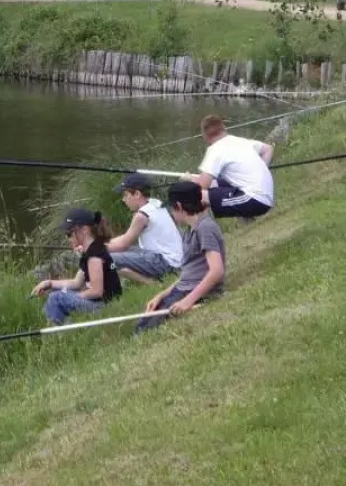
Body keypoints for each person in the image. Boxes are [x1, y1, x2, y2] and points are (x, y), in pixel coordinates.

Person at [138, 181, 225, 333]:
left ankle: (200, 304)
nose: (171, 213)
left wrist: (187, 302)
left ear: (179, 206)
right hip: (183, 289)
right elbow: (190, 273)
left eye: (172, 208)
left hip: (193, 293)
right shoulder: (190, 229)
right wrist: (162, 294)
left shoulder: (205, 228)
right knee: (144, 322)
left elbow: (216, 271)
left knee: (145, 330)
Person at [33, 208, 123, 325]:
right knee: (55, 291)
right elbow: (76, 283)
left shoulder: (94, 256)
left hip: (105, 305)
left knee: (56, 298)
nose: (67, 238)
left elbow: (97, 291)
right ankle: (64, 328)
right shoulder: (91, 250)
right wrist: (49, 283)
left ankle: (57, 334)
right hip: (101, 302)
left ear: (84, 230)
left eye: (69, 234)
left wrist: (73, 296)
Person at [182, 115, 273, 219]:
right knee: (216, 183)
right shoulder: (240, 141)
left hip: (255, 200)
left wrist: (189, 179)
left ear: (204, 135)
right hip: (265, 195)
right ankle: (246, 216)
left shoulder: (215, 150)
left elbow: (202, 185)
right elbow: (268, 149)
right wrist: (260, 172)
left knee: (197, 195)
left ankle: (207, 231)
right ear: (223, 128)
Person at [107, 173, 185, 285]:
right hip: (172, 259)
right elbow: (123, 240)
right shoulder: (155, 203)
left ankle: (152, 283)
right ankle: (133, 276)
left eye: (125, 195)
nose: (123, 200)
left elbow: (123, 243)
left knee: (108, 258)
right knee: (114, 252)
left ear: (137, 194)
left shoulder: (142, 216)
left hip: (167, 263)